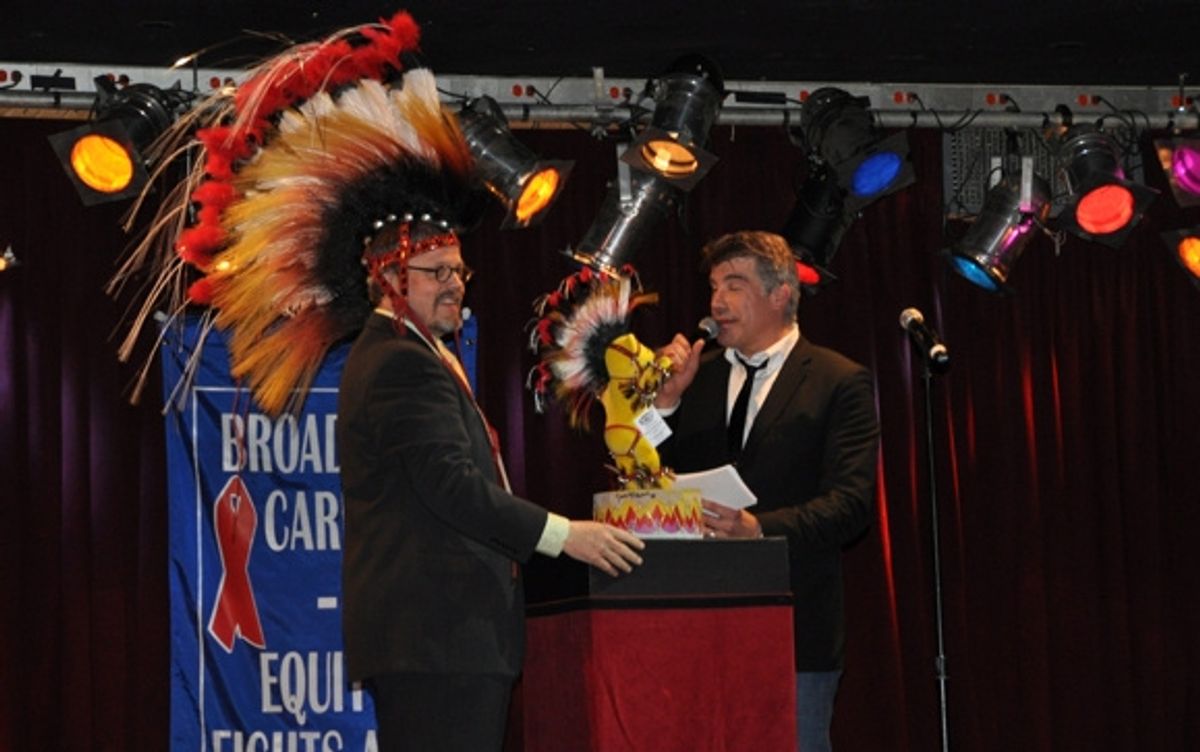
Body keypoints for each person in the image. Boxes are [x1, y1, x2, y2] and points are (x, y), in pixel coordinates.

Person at [338, 220, 644, 750]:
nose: (456, 284)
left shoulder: (412, 352)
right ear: (389, 276)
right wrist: (564, 536)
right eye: (437, 272)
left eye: (459, 270)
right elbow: (451, 484)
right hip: (438, 639)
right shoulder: (400, 360)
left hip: (440, 641)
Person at [655, 230, 879, 752]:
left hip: (794, 632)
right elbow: (647, 485)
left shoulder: (837, 380)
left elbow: (850, 506)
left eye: (734, 284)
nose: (716, 302)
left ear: (781, 292)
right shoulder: (696, 378)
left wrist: (759, 529)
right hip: (699, 627)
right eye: (713, 286)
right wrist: (664, 404)